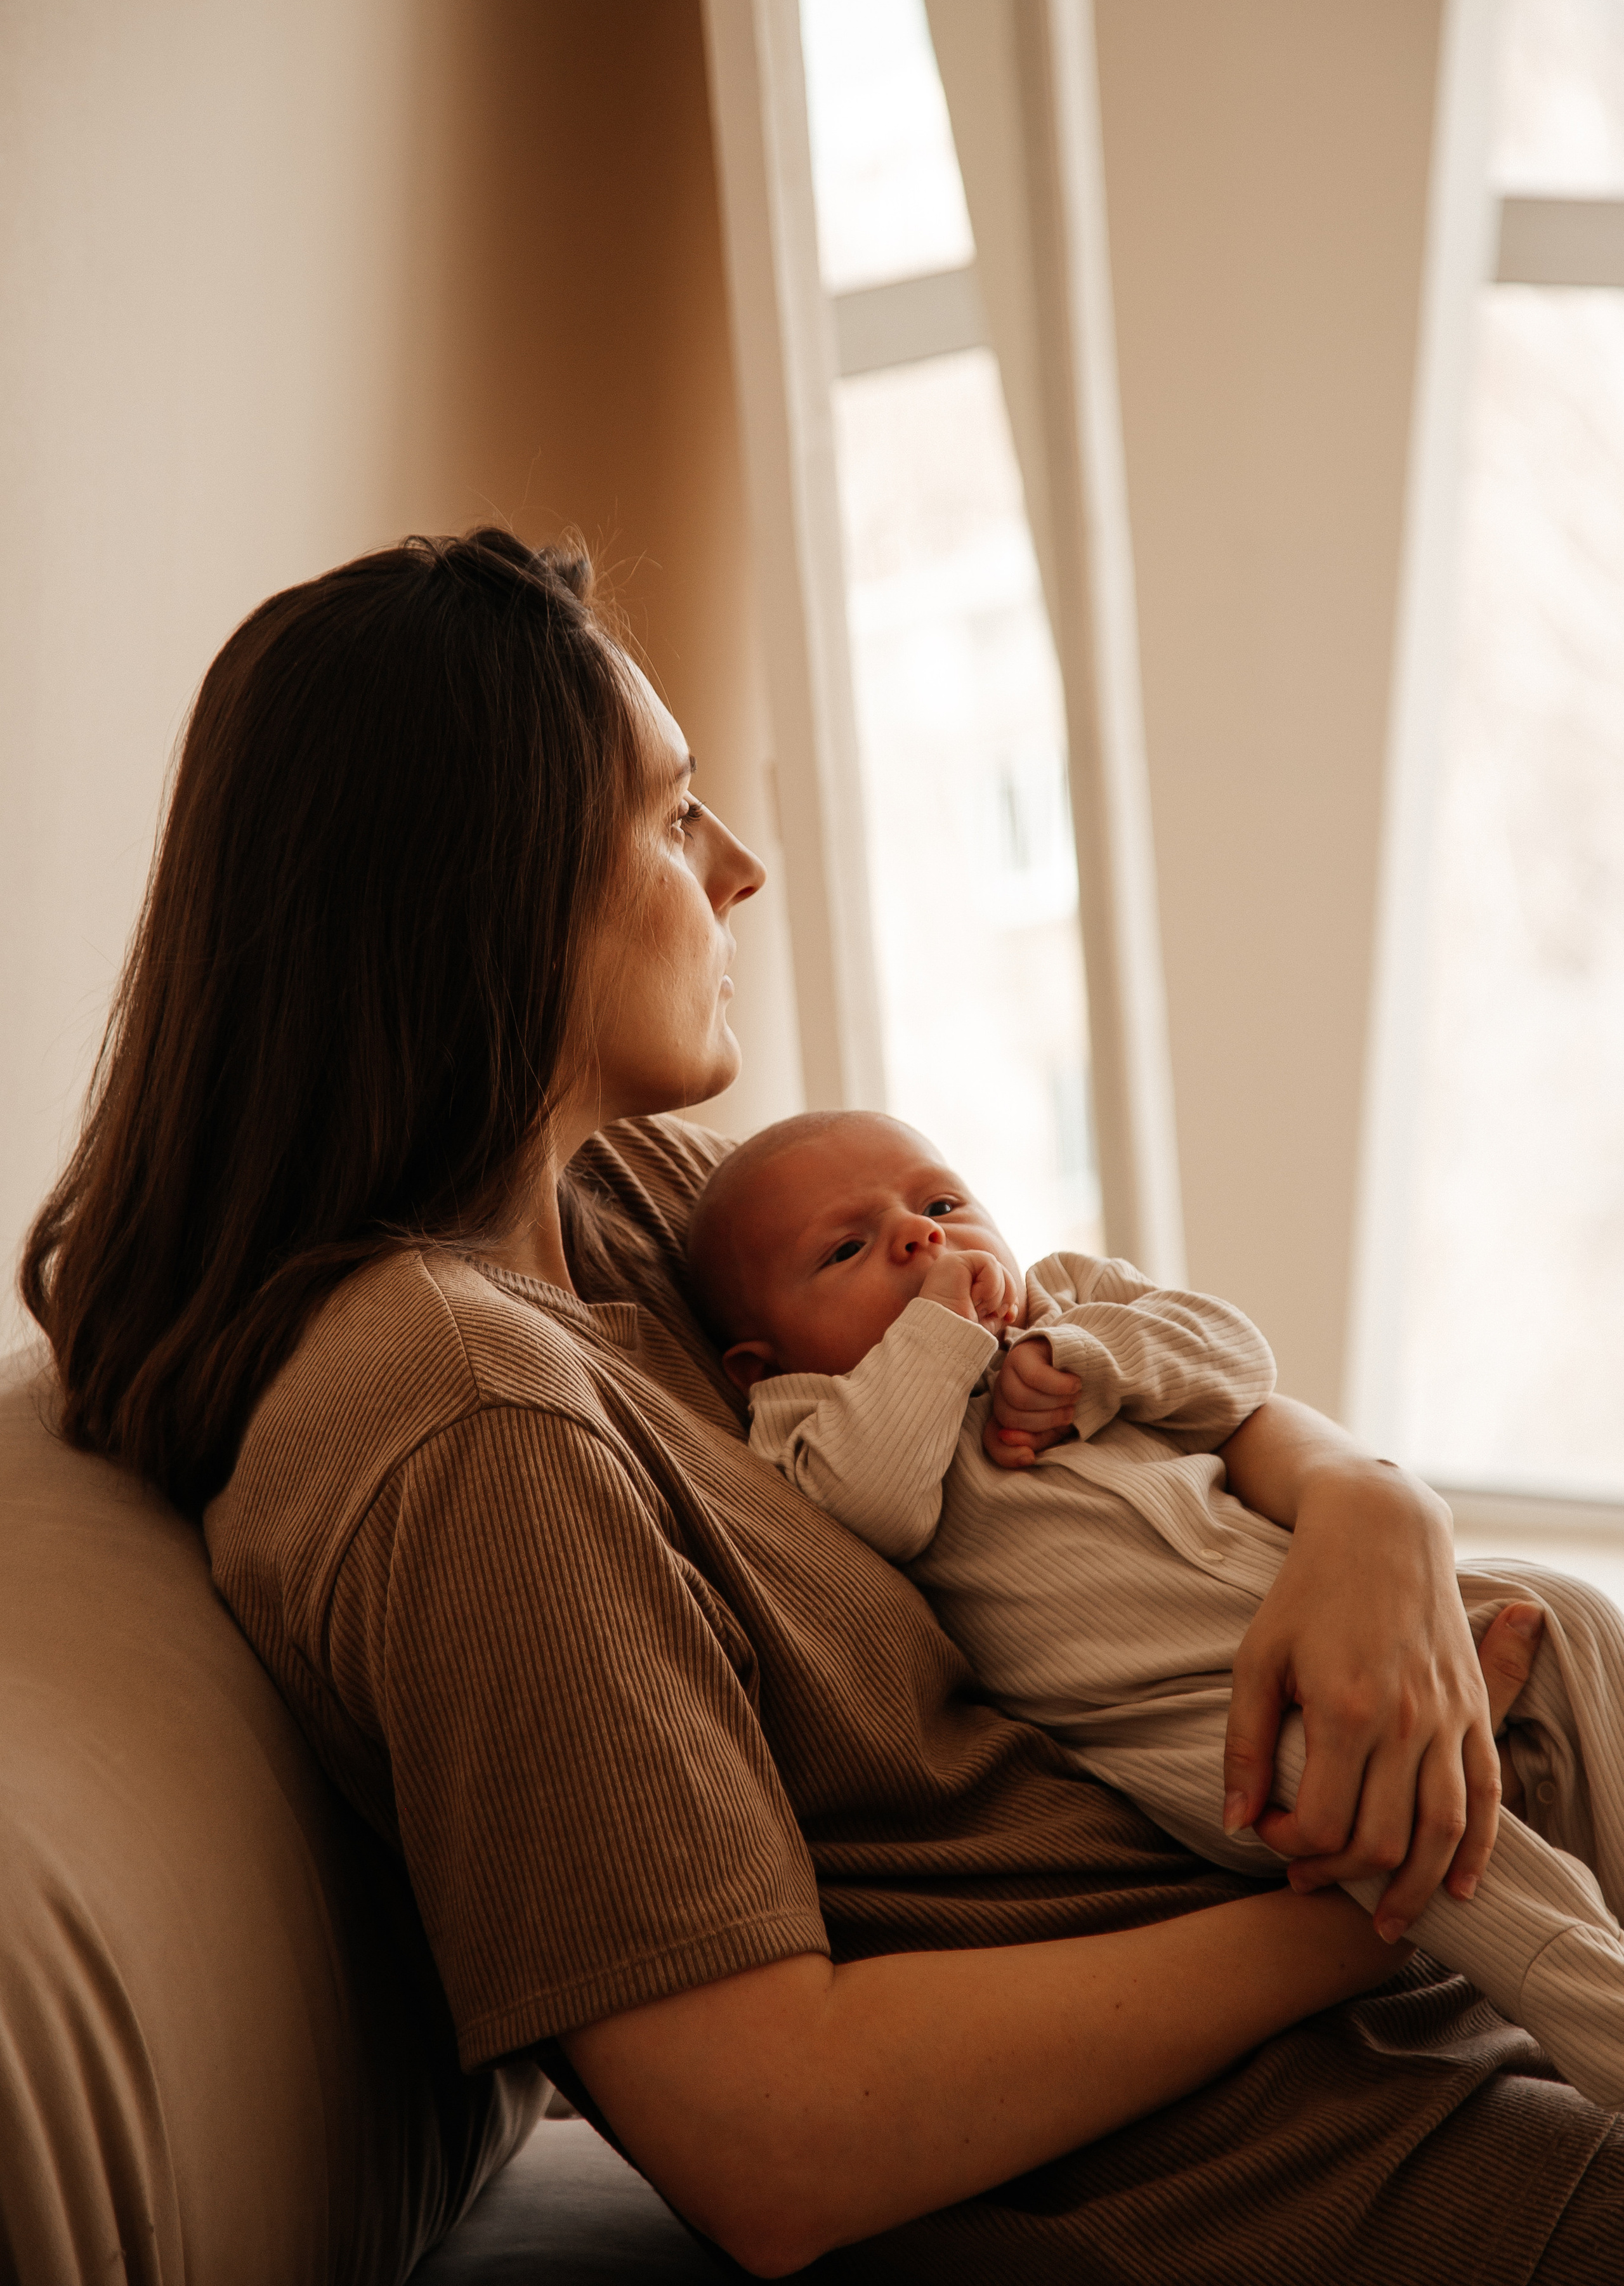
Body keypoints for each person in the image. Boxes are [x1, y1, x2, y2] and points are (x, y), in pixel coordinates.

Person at [20, 530, 1622, 2280]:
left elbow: (1079, 1330)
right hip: (1314, 2159)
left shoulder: (616, 1209)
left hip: (1411, 1934)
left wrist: (1373, 1508)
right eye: (674, 815)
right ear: (490, 886)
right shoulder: (475, 1419)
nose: (744, 868)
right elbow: (772, 2137)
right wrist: (1380, 1902)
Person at [686, 1107, 1624, 2113]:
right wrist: (937, 1339)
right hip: (1185, 1720)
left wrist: (1096, 1357)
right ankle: (1597, 2009)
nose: (922, 1239)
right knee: (1365, 1798)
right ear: (762, 1361)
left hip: (1320, 1605)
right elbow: (870, 1506)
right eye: (847, 1248)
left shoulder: (1076, 1297)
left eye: (942, 1203)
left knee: (1561, 1609)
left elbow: (1236, 1360)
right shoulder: (807, 1420)